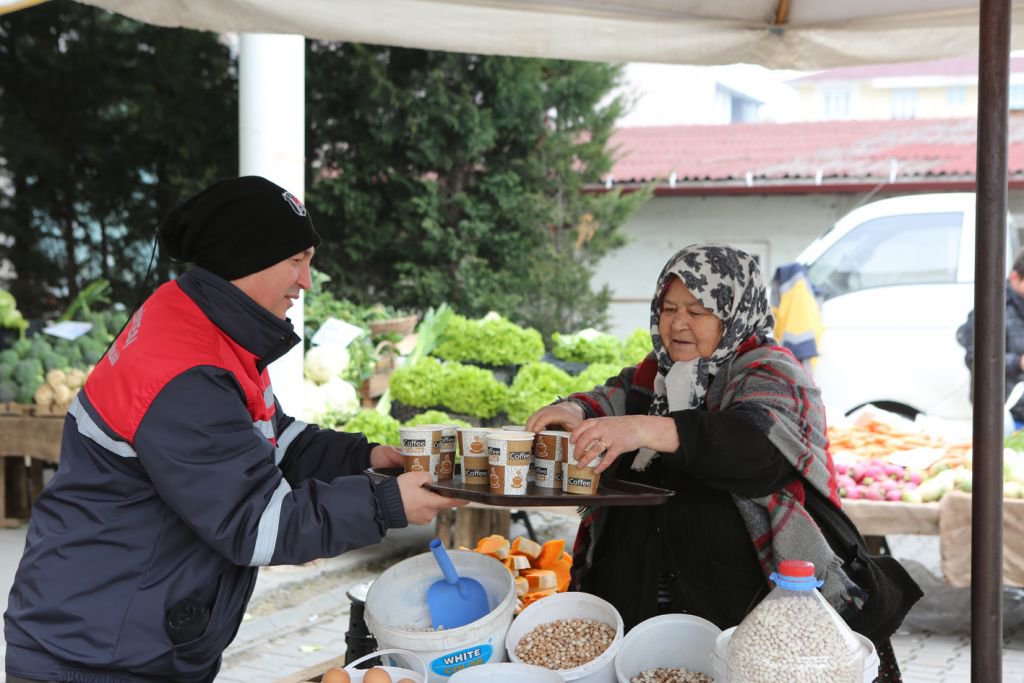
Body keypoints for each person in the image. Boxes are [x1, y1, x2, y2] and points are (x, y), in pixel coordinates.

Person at [4, 176, 464, 683]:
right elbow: (256, 525)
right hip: (98, 654)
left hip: (130, 634)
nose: (306, 281)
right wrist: (387, 504)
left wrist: (368, 457)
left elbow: (271, 440)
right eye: (296, 260)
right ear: (246, 260)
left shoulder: (203, 325)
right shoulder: (184, 373)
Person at [526, 243, 922, 682]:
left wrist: (642, 429)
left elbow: (755, 448)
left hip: (750, 608)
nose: (678, 323)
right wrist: (574, 413)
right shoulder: (648, 377)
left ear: (734, 313)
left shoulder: (772, 374)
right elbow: (605, 400)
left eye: (698, 311)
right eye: (669, 308)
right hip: (640, 605)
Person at [956, 246, 1024, 429]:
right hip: (1003, 410)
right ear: (1015, 277)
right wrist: (1018, 362)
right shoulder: (991, 306)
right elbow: (976, 358)